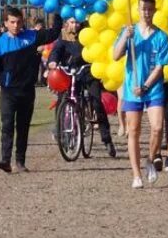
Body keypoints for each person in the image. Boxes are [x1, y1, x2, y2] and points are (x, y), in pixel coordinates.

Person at [0, 7, 63, 173]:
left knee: (23, 127)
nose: (16, 25)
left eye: (19, 22)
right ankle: (5, 159)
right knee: (7, 125)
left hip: (27, 91)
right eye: (12, 22)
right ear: (5, 23)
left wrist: (57, 12)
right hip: (8, 91)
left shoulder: (32, 36)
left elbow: (54, 33)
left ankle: (20, 161)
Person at [112, 0, 168, 189]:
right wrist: (125, 39)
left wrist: (145, 86)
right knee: (134, 130)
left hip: (152, 89)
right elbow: (115, 55)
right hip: (131, 88)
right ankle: (136, 175)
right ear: (137, 10)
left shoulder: (161, 36)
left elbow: (160, 67)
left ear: (154, 11)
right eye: (143, 9)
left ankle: (151, 158)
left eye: (149, 9)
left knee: (157, 127)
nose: (146, 12)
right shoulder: (128, 31)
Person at [47, 17, 116, 157]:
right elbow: (56, 51)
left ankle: (107, 139)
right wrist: (53, 61)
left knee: (97, 102)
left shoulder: (88, 33)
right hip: (70, 74)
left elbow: (97, 50)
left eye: (77, 22)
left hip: (88, 72)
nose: (75, 25)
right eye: (72, 22)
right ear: (67, 23)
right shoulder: (63, 36)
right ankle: (62, 133)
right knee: (62, 99)